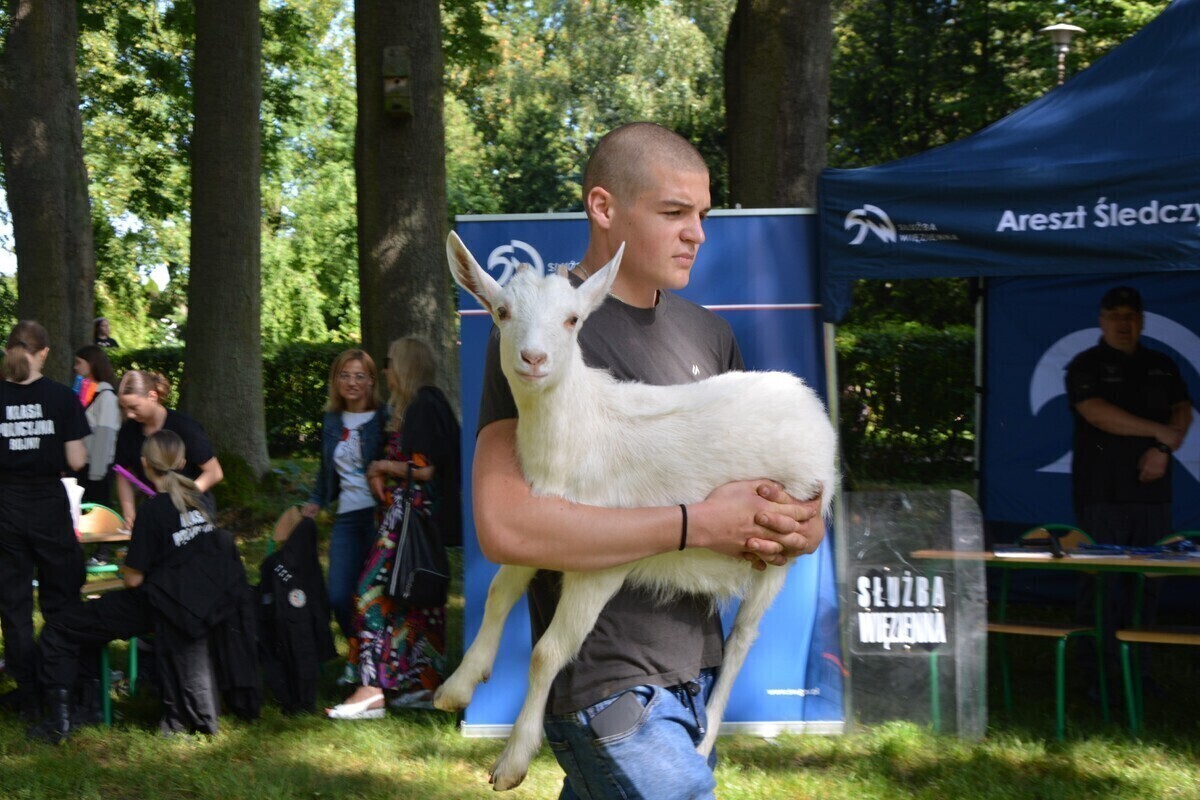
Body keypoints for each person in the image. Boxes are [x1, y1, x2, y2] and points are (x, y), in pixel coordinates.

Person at [473, 122, 825, 799]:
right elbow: (506, 528)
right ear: (604, 208)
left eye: (702, 215)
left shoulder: (710, 334)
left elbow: (757, 496)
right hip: (607, 686)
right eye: (673, 212)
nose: (696, 232)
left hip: (693, 676)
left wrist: (800, 524)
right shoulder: (534, 331)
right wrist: (695, 523)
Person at [29, 430, 247, 742]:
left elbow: (133, 579)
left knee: (60, 628)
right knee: (86, 623)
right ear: (184, 462)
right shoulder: (200, 502)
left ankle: (59, 720)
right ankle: (91, 703)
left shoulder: (153, 510)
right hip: (193, 604)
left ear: (144, 464)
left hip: (155, 605)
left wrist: (125, 564)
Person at [327, 336, 461, 719]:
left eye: (389, 362)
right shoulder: (430, 404)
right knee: (416, 600)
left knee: (371, 594)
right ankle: (424, 684)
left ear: (404, 366)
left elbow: (425, 468)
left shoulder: (422, 405)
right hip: (418, 520)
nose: (384, 370)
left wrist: (381, 468)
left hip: (407, 521)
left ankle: (369, 690)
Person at [1066, 285, 1192, 667]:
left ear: (1142, 321)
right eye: (1115, 315)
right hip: (1102, 490)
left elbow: (1182, 409)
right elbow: (1096, 412)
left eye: (1131, 316)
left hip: (1153, 493)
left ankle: (1139, 669)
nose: (1124, 323)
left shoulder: (1161, 363)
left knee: (1148, 583)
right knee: (1103, 582)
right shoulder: (1085, 364)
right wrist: (1157, 433)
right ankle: (1096, 670)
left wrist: (1165, 449)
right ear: (1102, 320)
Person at [0, 321, 90, 722]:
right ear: (45, 353)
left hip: (5, 505)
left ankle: (29, 691)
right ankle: (63, 687)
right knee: (61, 596)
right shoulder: (62, 398)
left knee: (14, 604)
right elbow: (76, 462)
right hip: (49, 504)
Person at [301, 349, 389, 642]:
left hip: (380, 517)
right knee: (339, 594)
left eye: (360, 376)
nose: (352, 382)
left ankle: (377, 662)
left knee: (376, 593)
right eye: (345, 375)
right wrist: (315, 500)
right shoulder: (332, 420)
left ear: (371, 381)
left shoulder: (383, 418)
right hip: (347, 519)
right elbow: (326, 471)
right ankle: (357, 653)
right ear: (336, 380)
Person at [114, 370, 223, 529]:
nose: (129, 414)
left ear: (152, 396)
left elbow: (214, 473)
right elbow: (124, 474)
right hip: (157, 511)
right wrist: (129, 511)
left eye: (133, 407)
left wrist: (181, 499)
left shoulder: (185, 427)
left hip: (193, 511)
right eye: (124, 408)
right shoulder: (128, 431)